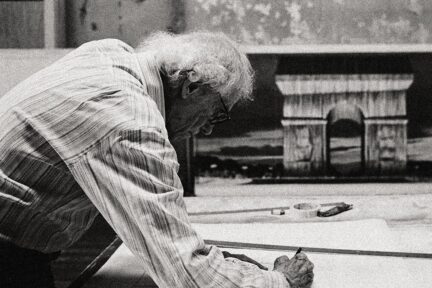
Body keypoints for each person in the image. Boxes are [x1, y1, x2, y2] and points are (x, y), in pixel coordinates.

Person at [0, 31, 314, 288]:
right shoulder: (130, 121)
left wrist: (220, 264)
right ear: (192, 86)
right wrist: (278, 281)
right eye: (217, 113)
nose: (206, 129)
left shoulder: (109, 54)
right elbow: (186, 275)